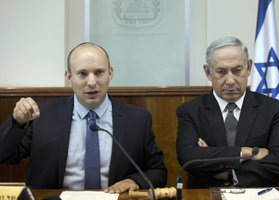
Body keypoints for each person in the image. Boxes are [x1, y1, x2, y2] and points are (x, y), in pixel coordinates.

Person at [0, 42, 167, 193]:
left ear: (110, 73)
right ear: (68, 76)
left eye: (99, 72)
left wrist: (134, 180)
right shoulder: (42, 115)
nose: (92, 82)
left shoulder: (137, 120)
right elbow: (5, 155)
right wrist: (17, 122)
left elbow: (158, 172)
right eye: (82, 74)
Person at [176, 37, 279, 188]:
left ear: (249, 67)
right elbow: (189, 158)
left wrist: (228, 172)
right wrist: (245, 152)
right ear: (208, 72)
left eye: (237, 70)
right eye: (221, 72)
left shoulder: (272, 109)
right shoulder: (190, 111)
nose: (230, 80)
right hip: (206, 195)